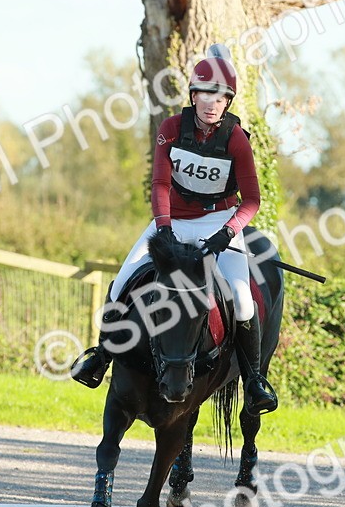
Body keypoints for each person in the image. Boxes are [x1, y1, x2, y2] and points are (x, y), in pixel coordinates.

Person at [71, 45, 277, 415]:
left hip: (219, 224)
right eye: (206, 95)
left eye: (221, 97)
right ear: (193, 96)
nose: (212, 104)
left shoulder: (236, 140)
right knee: (122, 283)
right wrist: (163, 228)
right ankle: (101, 357)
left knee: (243, 301)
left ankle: (254, 383)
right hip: (173, 221)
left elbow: (252, 202)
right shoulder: (170, 129)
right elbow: (161, 186)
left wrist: (226, 234)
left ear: (227, 102)